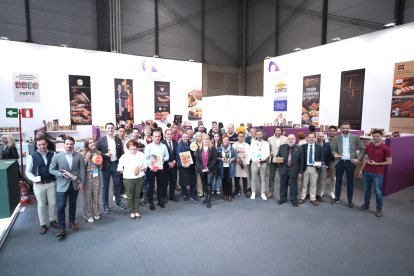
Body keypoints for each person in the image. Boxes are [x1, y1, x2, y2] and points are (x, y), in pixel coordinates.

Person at [49, 136, 85, 238]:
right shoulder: (57, 156)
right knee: (61, 207)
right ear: (64, 145)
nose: (69, 146)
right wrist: (60, 174)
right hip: (61, 185)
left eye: (71, 144)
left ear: (74, 145)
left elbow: (82, 170)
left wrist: (81, 182)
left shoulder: (79, 156)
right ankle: (61, 228)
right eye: (67, 144)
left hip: (74, 185)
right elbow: (51, 170)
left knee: (73, 205)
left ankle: (72, 222)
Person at [25, 137, 59, 234]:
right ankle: (43, 224)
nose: (41, 146)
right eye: (39, 145)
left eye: (43, 144)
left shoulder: (53, 154)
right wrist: (33, 179)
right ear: (36, 146)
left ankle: (52, 220)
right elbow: (27, 172)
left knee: (52, 203)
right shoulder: (31, 156)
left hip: (51, 182)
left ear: (47, 144)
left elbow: (57, 167)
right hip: (39, 185)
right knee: (41, 205)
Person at [330, 122, 365, 207]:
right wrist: (335, 154)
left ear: (349, 128)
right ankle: (337, 198)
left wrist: (358, 159)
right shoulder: (336, 138)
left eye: (347, 128)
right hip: (340, 162)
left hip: (350, 163)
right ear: (341, 128)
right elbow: (333, 149)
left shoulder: (355, 137)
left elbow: (363, 148)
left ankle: (350, 200)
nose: (345, 130)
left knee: (350, 182)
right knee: (338, 181)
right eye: (343, 128)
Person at [358, 130, 392, 217]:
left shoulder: (386, 148)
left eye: (377, 136)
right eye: (374, 136)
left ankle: (379, 209)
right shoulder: (369, 146)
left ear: (381, 136)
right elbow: (366, 158)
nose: (375, 138)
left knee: (378, 192)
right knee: (366, 190)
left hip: (378, 173)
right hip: (367, 172)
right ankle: (366, 204)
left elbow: (389, 162)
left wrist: (377, 164)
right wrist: (362, 170)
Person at [96, 122, 127, 214]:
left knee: (117, 185)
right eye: (108, 128)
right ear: (106, 129)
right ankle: (105, 205)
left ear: (114, 129)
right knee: (105, 187)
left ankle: (118, 202)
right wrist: (104, 154)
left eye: (112, 128)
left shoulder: (118, 140)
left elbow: (121, 153)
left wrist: (122, 166)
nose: (110, 130)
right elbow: (96, 152)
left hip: (116, 165)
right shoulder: (101, 141)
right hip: (105, 166)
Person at [117, 139, 146, 219]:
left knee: (137, 195)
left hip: (139, 178)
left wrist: (142, 168)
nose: (132, 148)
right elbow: (119, 166)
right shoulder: (124, 156)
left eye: (134, 146)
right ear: (128, 147)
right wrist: (121, 170)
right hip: (128, 179)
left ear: (136, 146)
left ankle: (136, 210)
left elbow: (145, 165)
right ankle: (131, 211)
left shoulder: (141, 154)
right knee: (130, 196)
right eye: (130, 146)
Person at [276, 134, 304, 207]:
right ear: (287, 140)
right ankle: (283, 198)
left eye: (292, 139)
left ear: (295, 140)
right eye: (289, 139)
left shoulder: (299, 149)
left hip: (294, 170)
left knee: (293, 186)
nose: (291, 140)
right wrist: (278, 159)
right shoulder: (282, 147)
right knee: (283, 185)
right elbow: (277, 156)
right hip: (283, 169)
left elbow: (302, 162)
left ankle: (294, 199)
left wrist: (300, 172)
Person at [144, 130, 169, 210]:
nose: (157, 138)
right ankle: (151, 202)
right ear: (152, 137)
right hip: (151, 169)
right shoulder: (148, 146)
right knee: (150, 186)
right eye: (155, 136)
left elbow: (167, 157)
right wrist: (150, 166)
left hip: (160, 167)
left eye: (159, 136)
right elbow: (146, 158)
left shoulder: (164, 146)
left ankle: (160, 200)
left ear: (161, 137)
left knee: (160, 185)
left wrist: (161, 159)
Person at [298, 133, 323, 206]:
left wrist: (319, 163)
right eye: (310, 137)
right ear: (307, 138)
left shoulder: (319, 147)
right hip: (305, 168)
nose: (311, 138)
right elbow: (301, 158)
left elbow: (322, 157)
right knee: (304, 184)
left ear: (315, 138)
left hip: (315, 168)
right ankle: (302, 197)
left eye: (313, 137)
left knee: (313, 184)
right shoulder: (303, 147)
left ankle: (313, 198)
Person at [82, 138, 102, 223]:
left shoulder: (98, 153)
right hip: (87, 176)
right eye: (90, 143)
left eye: (93, 142)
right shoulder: (83, 153)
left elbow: (101, 167)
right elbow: (81, 167)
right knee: (88, 196)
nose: (93, 144)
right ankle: (88, 215)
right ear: (87, 145)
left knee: (96, 195)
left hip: (96, 175)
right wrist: (86, 158)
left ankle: (96, 212)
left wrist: (99, 163)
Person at [195, 134, 217, 208]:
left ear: (209, 140)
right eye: (204, 139)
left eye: (207, 139)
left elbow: (214, 160)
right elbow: (197, 161)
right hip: (202, 170)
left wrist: (208, 168)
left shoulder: (213, 149)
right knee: (204, 184)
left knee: (209, 184)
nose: (205, 141)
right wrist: (202, 168)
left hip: (210, 169)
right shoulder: (198, 149)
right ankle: (207, 197)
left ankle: (209, 200)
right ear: (202, 140)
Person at [176, 133, 198, 202]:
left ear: (188, 137)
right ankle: (185, 194)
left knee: (193, 181)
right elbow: (178, 156)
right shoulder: (179, 146)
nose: (185, 138)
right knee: (184, 181)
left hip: (191, 165)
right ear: (182, 138)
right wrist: (182, 164)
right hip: (183, 166)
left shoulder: (192, 145)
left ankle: (193, 194)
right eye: (184, 137)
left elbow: (194, 155)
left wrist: (194, 164)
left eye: (186, 137)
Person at [267, 127, 288, 198]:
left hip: (281, 160)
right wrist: (269, 155)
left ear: (281, 131)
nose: (278, 132)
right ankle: (270, 191)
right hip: (273, 159)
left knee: (282, 176)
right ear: (274, 131)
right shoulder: (269, 139)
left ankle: (283, 192)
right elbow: (268, 150)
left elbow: (287, 149)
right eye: (276, 130)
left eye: (279, 130)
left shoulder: (285, 139)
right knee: (271, 176)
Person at [249, 130, 270, 200]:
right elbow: (251, 153)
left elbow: (267, 153)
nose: (259, 136)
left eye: (260, 134)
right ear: (255, 135)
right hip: (254, 163)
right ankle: (253, 192)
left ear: (262, 135)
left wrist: (261, 159)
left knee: (263, 178)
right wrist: (256, 160)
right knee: (253, 179)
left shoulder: (266, 143)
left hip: (263, 163)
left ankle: (263, 193)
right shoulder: (253, 143)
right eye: (257, 135)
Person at [315, 132, 334, 202]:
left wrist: (327, 165)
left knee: (322, 180)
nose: (320, 137)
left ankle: (319, 194)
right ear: (317, 137)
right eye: (319, 136)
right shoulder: (314, 144)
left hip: (323, 165)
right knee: (315, 180)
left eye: (322, 136)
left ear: (324, 137)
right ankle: (313, 193)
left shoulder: (327, 146)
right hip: (315, 164)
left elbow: (329, 156)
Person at [161, 129, 179, 202]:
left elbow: (177, 154)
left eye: (171, 134)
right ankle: (164, 196)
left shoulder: (175, 143)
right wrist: (168, 162)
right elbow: (161, 155)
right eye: (167, 134)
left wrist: (174, 162)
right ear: (165, 135)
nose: (169, 135)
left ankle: (172, 195)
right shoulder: (162, 143)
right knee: (165, 182)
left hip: (174, 166)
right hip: (165, 165)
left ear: (173, 135)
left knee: (173, 181)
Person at [217, 135, 236, 201]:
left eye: (227, 140)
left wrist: (230, 160)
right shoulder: (219, 149)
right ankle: (225, 194)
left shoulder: (232, 148)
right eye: (224, 140)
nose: (225, 141)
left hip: (230, 167)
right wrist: (221, 159)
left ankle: (229, 194)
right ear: (222, 140)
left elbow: (234, 157)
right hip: (222, 168)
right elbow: (216, 157)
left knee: (229, 181)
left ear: (228, 141)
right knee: (223, 182)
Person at [233, 132, 250, 198]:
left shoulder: (247, 145)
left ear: (244, 137)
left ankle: (245, 192)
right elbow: (232, 154)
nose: (241, 137)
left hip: (244, 163)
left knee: (244, 179)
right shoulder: (234, 145)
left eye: (242, 136)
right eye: (239, 136)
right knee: (236, 178)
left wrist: (247, 163)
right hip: (237, 164)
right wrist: (235, 159)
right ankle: (237, 191)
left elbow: (249, 155)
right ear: (237, 137)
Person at [325, 125, 338, 199]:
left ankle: (332, 192)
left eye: (334, 131)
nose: (332, 132)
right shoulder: (325, 139)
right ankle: (320, 191)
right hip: (326, 161)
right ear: (328, 131)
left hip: (334, 161)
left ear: (336, 132)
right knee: (323, 177)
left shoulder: (339, 140)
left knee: (333, 177)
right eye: (331, 131)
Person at [116, 125, 127, 199]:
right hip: (117, 161)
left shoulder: (127, 140)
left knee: (124, 177)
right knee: (117, 178)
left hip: (126, 161)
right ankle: (116, 194)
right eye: (121, 131)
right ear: (118, 132)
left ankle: (123, 192)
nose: (122, 133)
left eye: (123, 131)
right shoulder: (115, 140)